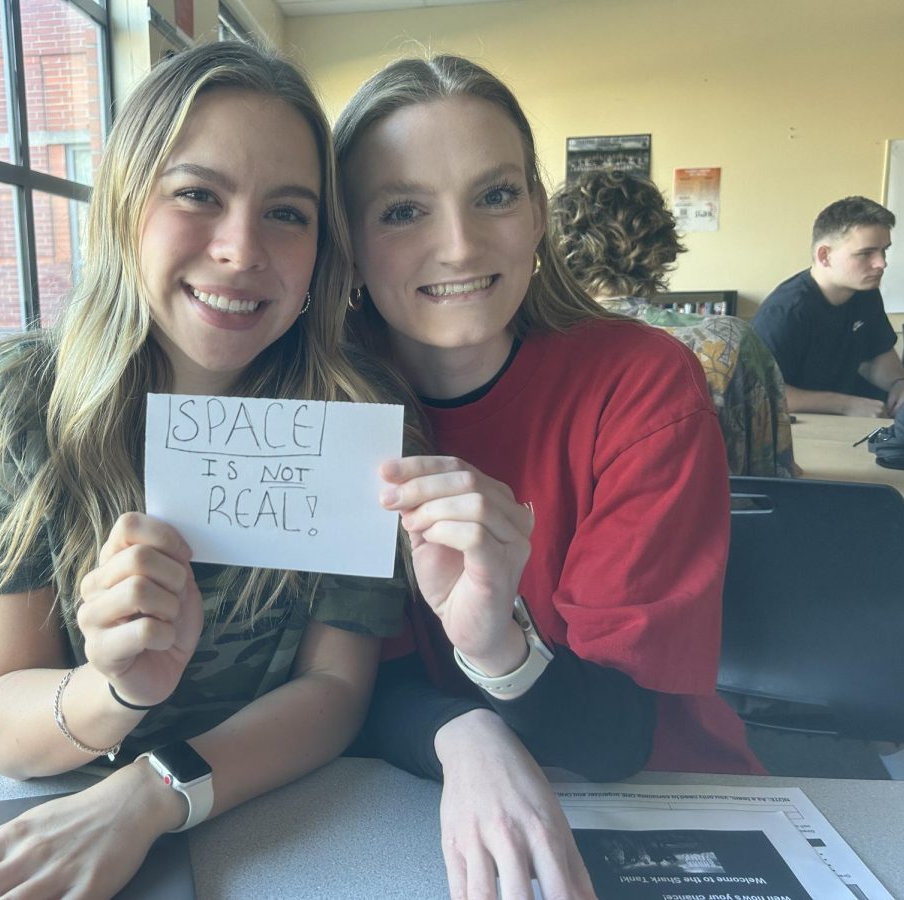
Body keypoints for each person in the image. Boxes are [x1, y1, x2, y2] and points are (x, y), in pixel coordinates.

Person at [0, 42, 407, 899]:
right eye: (197, 195)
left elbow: (336, 688)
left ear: (321, 247)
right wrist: (114, 689)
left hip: (276, 817)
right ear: (125, 202)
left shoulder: (353, 419)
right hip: (46, 805)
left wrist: (152, 793)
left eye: (287, 213)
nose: (240, 248)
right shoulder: (14, 408)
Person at [336, 55, 763, 900]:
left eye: (494, 194)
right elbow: (350, 684)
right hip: (417, 803)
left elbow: (616, 738)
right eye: (403, 210)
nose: (458, 244)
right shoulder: (336, 406)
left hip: (655, 802)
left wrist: (496, 647)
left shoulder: (641, 384)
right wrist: (469, 735)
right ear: (347, 241)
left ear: (537, 211)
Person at [549, 169, 796, 477]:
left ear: (554, 249)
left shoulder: (535, 344)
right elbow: (773, 476)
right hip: (718, 523)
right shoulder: (730, 341)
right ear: (662, 242)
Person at [752, 196, 904, 417]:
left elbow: (877, 354)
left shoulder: (866, 292)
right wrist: (846, 405)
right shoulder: (784, 312)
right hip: (799, 431)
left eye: (884, 251)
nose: (881, 263)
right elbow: (761, 393)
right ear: (824, 256)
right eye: (866, 253)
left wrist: (900, 383)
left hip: (847, 423)